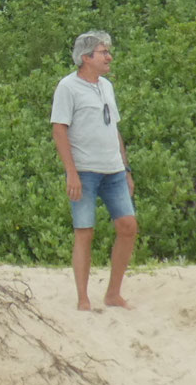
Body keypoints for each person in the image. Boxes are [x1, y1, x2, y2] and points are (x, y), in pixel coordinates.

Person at [49, 30, 137, 310]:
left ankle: (113, 293)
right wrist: (71, 173)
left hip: (113, 171)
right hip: (85, 171)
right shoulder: (67, 87)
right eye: (103, 52)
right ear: (86, 58)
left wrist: (126, 168)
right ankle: (83, 299)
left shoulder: (106, 86)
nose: (109, 57)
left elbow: (114, 128)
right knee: (84, 230)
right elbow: (59, 129)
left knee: (128, 226)